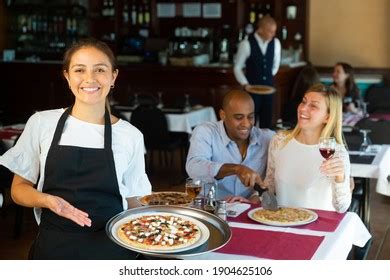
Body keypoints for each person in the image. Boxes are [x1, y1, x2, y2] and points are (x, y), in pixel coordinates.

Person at [0, 38, 151, 259]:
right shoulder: (42, 122)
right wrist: (48, 201)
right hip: (54, 247)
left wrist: (156, 225)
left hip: (112, 248)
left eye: (100, 69)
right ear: (67, 76)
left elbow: (135, 200)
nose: (90, 79)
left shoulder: (131, 135)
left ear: (113, 77)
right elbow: (18, 189)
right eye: (80, 70)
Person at [263, 84, 351, 212]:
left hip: (319, 228)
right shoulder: (279, 141)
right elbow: (269, 187)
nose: (303, 108)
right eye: (303, 101)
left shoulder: (337, 153)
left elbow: (341, 207)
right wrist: (253, 198)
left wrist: (340, 177)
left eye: (313, 106)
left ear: (327, 117)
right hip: (282, 222)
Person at [186, 90, 275, 203]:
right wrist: (236, 169)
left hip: (246, 209)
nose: (246, 124)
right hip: (209, 207)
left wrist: (257, 197)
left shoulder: (267, 138)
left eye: (250, 117)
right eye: (239, 118)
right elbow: (194, 167)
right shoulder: (205, 132)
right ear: (223, 115)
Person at [234, 15, 281, 129]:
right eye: (270, 31)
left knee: (267, 125)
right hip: (252, 92)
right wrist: (246, 85)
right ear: (260, 29)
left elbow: (275, 65)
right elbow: (237, 67)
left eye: (274, 31)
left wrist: (267, 77)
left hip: (269, 90)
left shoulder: (276, 43)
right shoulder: (246, 44)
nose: (273, 34)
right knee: (250, 124)